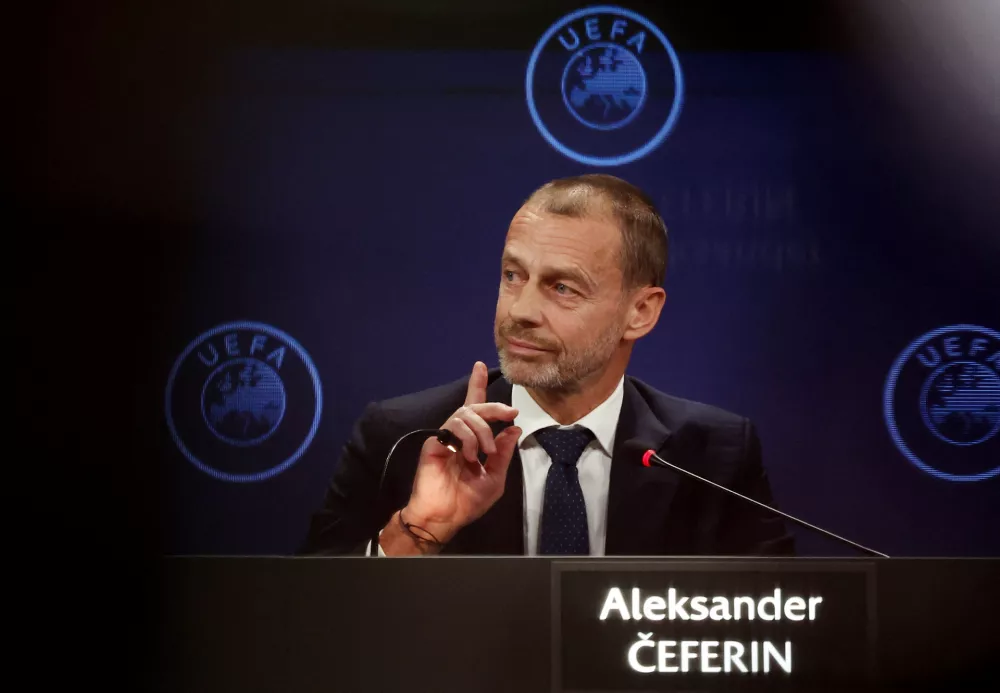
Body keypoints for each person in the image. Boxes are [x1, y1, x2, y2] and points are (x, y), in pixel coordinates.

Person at [301, 174, 794, 556]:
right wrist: (420, 529)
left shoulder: (712, 456)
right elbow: (310, 627)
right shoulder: (404, 439)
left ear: (640, 312)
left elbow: (775, 626)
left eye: (562, 287)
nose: (521, 311)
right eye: (513, 276)